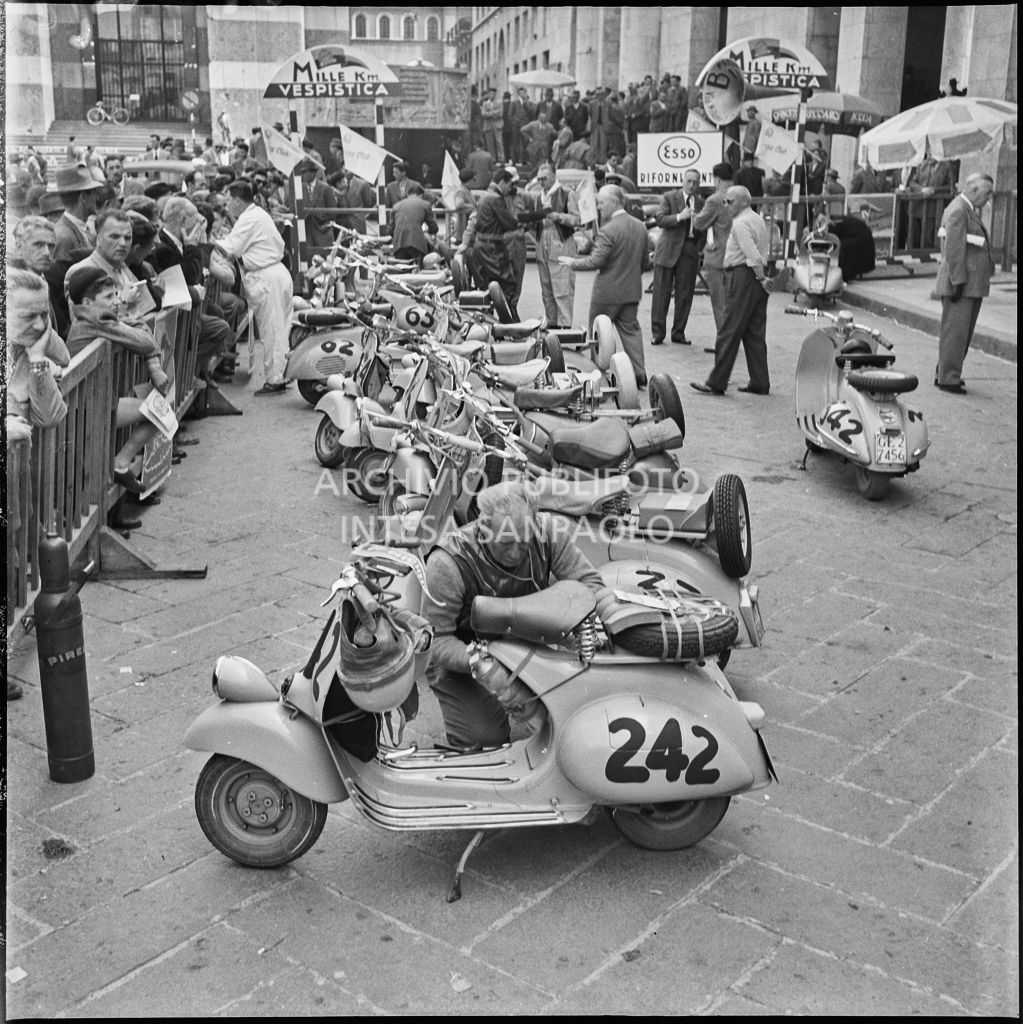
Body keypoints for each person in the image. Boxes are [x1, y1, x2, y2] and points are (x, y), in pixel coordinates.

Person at [421, 481, 615, 749]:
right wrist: (484, 662)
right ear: (482, 527)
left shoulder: (547, 533)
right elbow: (436, 641)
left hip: (525, 640)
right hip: (465, 653)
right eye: (505, 543)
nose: (515, 552)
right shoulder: (447, 563)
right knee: (485, 739)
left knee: (578, 706)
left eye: (523, 543)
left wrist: (612, 616)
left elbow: (589, 584)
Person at [6, 268, 71, 699]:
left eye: (43, 314)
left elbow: (52, 415)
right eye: (26, 315)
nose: (39, 324)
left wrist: (39, 351)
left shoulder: (27, 349)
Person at [560, 184, 652, 386]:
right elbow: (645, 262)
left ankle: (597, 372)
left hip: (607, 293)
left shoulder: (608, 230)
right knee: (631, 331)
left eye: (601, 203)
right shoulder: (640, 226)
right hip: (631, 290)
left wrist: (572, 263)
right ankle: (639, 373)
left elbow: (595, 261)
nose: (599, 207)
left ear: (613, 202)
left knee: (598, 334)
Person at [691, 185, 773, 397]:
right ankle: (760, 381)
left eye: (731, 202)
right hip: (753, 277)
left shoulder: (740, 224)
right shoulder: (756, 219)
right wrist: (761, 278)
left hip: (743, 275)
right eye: (725, 202)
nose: (726, 206)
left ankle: (717, 381)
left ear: (744, 202)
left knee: (729, 329)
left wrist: (761, 278)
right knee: (754, 332)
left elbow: (753, 255)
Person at [214, 180, 293, 396]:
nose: (227, 204)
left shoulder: (249, 217)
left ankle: (276, 379)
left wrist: (206, 242)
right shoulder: (255, 214)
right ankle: (281, 374)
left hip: (267, 276)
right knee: (279, 328)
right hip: (274, 273)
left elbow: (230, 248)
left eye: (229, 200)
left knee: (273, 330)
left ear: (238, 201)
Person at [932, 173, 995, 393]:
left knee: (959, 333)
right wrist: (958, 282)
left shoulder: (963, 208)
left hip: (968, 283)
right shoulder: (959, 210)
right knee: (956, 334)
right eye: (987, 193)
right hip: (962, 284)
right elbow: (954, 249)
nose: (987, 200)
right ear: (974, 190)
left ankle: (946, 371)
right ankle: (948, 378)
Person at [65, 209, 162, 323]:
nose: (123, 244)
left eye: (127, 238)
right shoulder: (80, 271)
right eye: (114, 237)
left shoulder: (124, 267)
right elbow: (83, 326)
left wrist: (158, 295)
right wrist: (123, 303)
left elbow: (144, 312)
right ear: (98, 238)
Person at [650, 168, 704, 347]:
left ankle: (678, 332)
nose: (691, 185)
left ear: (699, 184)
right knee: (660, 293)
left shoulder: (702, 203)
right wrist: (681, 216)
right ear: (683, 181)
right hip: (668, 248)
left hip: (689, 249)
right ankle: (658, 333)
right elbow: (660, 219)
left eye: (695, 182)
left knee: (685, 293)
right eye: (689, 181)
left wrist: (698, 247)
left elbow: (705, 227)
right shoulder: (670, 197)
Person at [460, 167, 521, 317]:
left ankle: (491, 322)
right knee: (507, 284)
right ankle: (511, 323)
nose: (511, 189)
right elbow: (510, 223)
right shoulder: (495, 198)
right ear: (502, 182)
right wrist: (524, 220)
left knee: (488, 285)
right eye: (510, 184)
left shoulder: (486, 196)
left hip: (483, 246)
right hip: (492, 248)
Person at [528, 162, 580, 327]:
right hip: (542, 239)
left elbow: (577, 219)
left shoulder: (567, 193)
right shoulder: (538, 196)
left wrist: (558, 216)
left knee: (563, 285)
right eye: (539, 179)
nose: (541, 182)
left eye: (544, 179)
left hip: (561, 240)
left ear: (553, 176)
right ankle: (552, 320)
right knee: (546, 286)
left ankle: (565, 323)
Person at [693, 162, 735, 338]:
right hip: (735, 255)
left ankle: (724, 339)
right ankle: (732, 336)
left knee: (719, 302)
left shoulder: (716, 200)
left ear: (716, 179)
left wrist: (695, 214)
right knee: (731, 300)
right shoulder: (739, 196)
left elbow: (699, 223)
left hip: (717, 255)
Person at [52, 164, 102, 262]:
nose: (96, 198)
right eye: (93, 193)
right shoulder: (64, 237)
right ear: (83, 197)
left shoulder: (81, 227)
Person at [387, 183, 439, 266]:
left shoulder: (396, 206)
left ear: (407, 194)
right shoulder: (425, 205)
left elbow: (390, 230)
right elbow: (434, 228)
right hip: (417, 244)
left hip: (399, 244)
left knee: (402, 271)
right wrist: (427, 232)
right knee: (417, 272)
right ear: (420, 194)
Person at [828, 213, 876, 282]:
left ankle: (844, 275)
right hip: (861, 237)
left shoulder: (834, 223)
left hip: (857, 238)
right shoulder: (838, 220)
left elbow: (833, 237)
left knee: (842, 250)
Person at [519, 110, 556, 179]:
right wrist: (529, 138)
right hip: (533, 148)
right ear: (539, 117)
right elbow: (522, 130)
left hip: (544, 149)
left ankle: (530, 176)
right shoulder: (533, 124)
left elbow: (555, 134)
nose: (543, 119)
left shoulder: (550, 126)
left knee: (541, 165)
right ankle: (534, 178)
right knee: (534, 165)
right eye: (542, 117)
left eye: (545, 118)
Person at [481, 87, 504, 162]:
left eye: (493, 94)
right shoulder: (485, 104)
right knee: (489, 143)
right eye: (490, 94)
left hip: (497, 125)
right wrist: (494, 112)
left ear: (495, 95)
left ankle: (501, 158)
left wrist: (489, 113)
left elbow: (500, 113)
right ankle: (492, 159)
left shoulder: (499, 103)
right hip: (488, 126)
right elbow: (483, 114)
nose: (491, 95)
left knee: (499, 142)